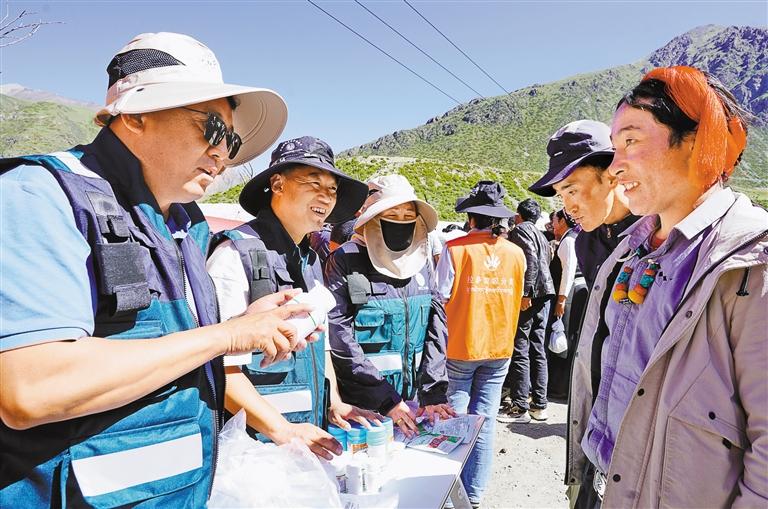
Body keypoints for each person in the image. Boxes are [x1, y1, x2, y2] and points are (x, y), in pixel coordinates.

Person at [0, 32, 310, 506]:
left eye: (231, 140)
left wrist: (244, 325)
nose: (223, 154)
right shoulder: (37, 195)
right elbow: (32, 388)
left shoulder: (186, 227)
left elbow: (175, 346)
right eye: (212, 128)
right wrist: (227, 336)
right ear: (135, 114)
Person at [569, 66, 767, 508]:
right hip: (601, 488)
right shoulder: (632, 248)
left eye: (631, 141)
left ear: (696, 140)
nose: (615, 167)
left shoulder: (750, 261)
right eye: (614, 147)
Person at [207, 136, 380, 459]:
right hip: (253, 450)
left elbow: (319, 344)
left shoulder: (310, 259)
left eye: (332, 189)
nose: (325, 196)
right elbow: (217, 366)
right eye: (314, 183)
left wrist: (334, 402)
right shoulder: (236, 253)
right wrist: (282, 430)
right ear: (277, 184)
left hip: (305, 439)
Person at [325, 174, 455, 437]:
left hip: (411, 403)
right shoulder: (345, 260)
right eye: (392, 215)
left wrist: (433, 391)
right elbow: (338, 334)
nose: (401, 222)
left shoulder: (421, 263)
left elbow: (436, 327)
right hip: (363, 409)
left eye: (408, 216)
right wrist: (386, 399)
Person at [436, 180, 527, 508]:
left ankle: (448, 496)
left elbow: (439, 297)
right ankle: (473, 495)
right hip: (499, 347)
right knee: (485, 422)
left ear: (471, 218)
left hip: (461, 345)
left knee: (454, 421)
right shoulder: (516, 254)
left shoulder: (455, 249)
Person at [530, 120, 639, 290]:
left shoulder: (660, 231)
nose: (568, 209)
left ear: (612, 177)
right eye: (561, 195)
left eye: (572, 191)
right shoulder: (585, 244)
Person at [499, 198, 555, 423]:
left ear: (518, 215)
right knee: (537, 347)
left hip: (531, 295)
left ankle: (520, 406)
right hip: (545, 293)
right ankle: (539, 404)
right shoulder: (541, 234)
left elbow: (530, 261)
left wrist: (526, 294)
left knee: (521, 347)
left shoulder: (521, 230)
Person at [546, 209, 587, 401]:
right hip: (572, 292)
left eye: (555, 219)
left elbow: (568, 272)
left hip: (571, 293)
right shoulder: (571, 237)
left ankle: (560, 387)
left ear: (562, 221)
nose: (552, 223)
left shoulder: (569, 240)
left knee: (565, 337)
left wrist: (561, 300)